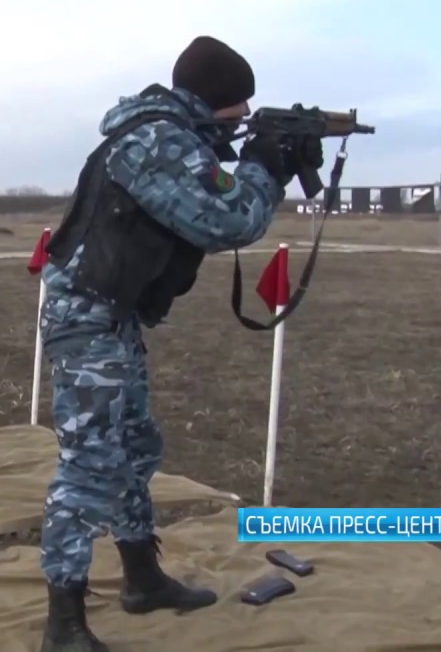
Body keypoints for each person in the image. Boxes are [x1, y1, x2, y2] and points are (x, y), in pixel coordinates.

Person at [35, 35, 325, 650]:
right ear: (210, 100)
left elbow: (216, 188)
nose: (243, 120)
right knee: (90, 464)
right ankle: (63, 623)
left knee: (134, 448)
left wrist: (258, 156)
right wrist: (266, 167)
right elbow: (229, 221)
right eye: (237, 110)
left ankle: (142, 579)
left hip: (108, 314)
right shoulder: (155, 141)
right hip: (85, 315)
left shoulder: (174, 136)